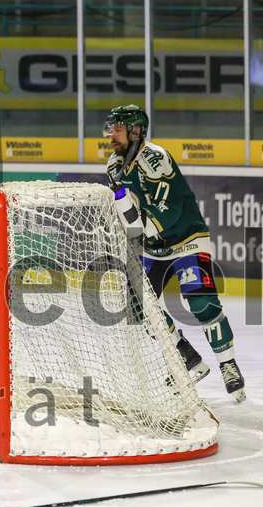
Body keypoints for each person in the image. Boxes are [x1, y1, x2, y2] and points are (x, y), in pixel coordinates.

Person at [104, 104, 245, 401]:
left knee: (201, 302)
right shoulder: (114, 167)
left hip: (186, 239)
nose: (111, 135)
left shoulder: (156, 158)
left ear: (135, 131)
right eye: (112, 129)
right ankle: (187, 358)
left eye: (117, 130)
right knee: (137, 305)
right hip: (154, 247)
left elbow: (170, 210)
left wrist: (141, 230)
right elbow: (128, 214)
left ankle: (228, 365)